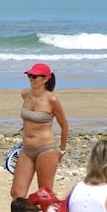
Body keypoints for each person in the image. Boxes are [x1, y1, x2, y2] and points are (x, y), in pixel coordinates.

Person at [14, 63, 68, 199]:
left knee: (45, 195)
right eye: (29, 75)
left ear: (45, 79)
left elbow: (64, 125)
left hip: (46, 150)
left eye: (35, 76)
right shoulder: (25, 94)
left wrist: (61, 151)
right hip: (26, 150)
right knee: (16, 194)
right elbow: (28, 121)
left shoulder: (52, 100)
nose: (31, 78)